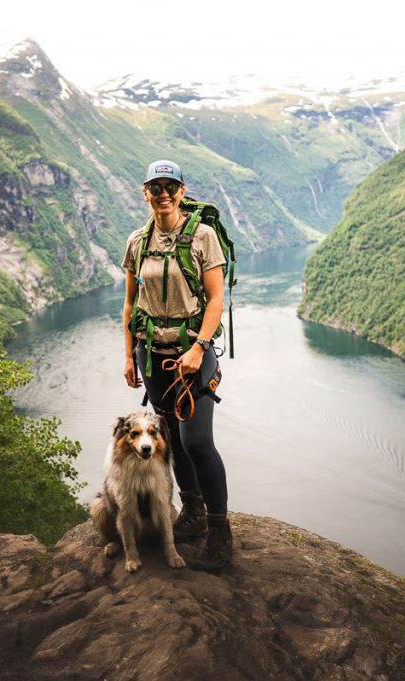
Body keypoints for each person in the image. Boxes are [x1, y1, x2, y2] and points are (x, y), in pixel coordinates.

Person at [121, 159, 232, 572]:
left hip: (192, 354)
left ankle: (220, 531)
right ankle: (194, 512)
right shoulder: (137, 242)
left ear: (182, 191)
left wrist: (200, 348)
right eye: (156, 187)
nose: (163, 194)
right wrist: (128, 355)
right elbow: (130, 304)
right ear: (145, 192)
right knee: (172, 441)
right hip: (152, 355)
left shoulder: (202, 236)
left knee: (197, 441)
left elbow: (216, 299)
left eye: (170, 186)